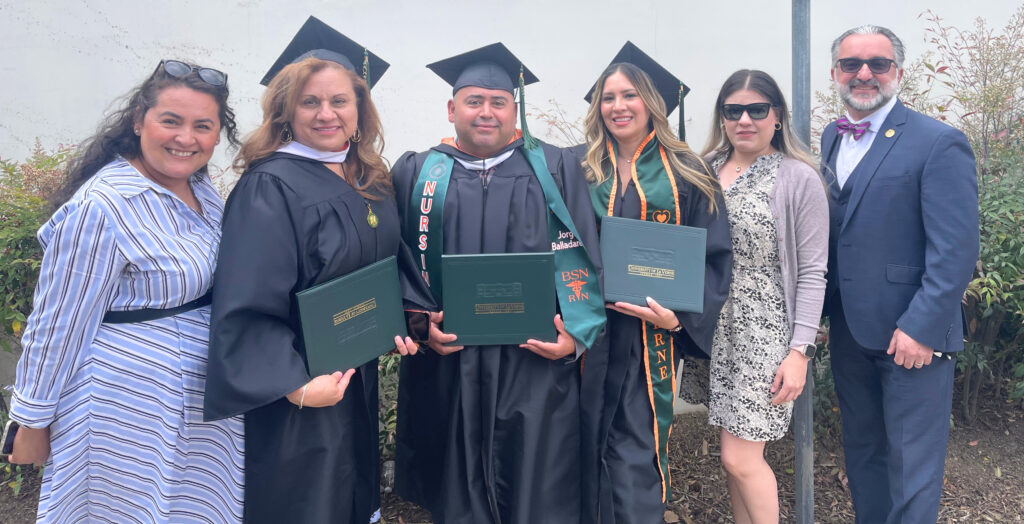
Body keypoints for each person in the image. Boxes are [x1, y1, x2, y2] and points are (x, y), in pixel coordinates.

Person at [202, 17, 431, 524]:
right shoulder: (272, 186)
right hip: (299, 389)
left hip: (355, 373)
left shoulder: (366, 175)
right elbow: (247, 300)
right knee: (304, 501)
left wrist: (412, 318)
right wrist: (295, 384)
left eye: (339, 101)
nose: (326, 114)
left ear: (359, 108)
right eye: (311, 102)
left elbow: (388, 265)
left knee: (352, 495)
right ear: (286, 109)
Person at [7, 59, 244, 522]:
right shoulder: (104, 206)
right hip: (127, 411)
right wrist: (30, 421)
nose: (185, 138)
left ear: (218, 135)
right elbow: (57, 323)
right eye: (170, 121)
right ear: (139, 121)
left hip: (198, 407)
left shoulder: (202, 190)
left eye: (202, 125)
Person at [391, 43, 606, 524]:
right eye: (473, 101)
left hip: (532, 364)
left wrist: (576, 335)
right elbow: (397, 262)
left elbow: (585, 255)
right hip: (451, 363)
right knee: (456, 494)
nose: (485, 112)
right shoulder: (419, 173)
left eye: (498, 102)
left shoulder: (554, 168)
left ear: (515, 110)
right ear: (452, 109)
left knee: (536, 495)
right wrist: (419, 323)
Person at [821, 25, 978, 524]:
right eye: (851, 64)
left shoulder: (939, 142)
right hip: (849, 331)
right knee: (863, 456)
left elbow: (955, 248)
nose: (864, 74)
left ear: (898, 73)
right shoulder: (829, 137)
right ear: (835, 73)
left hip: (914, 338)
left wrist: (922, 327)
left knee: (913, 472)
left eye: (878, 64)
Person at [578, 42, 733, 524]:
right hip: (587, 333)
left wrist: (678, 316)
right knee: (577, 441)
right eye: (608, 97)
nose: (618, 106)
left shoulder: (689, 171)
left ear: (652, 103)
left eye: (630, 95)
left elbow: (714, 255)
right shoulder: (579, 169)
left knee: (635, 447)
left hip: (649, 338)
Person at [700, 69, 828, 524]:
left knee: (742, 458)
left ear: (777, 116)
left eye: (757, 109)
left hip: (765, 327)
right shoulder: (706, 167)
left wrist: (800, 351)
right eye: (733, 110)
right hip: (714, 323)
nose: (745, 120)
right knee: (730, 458)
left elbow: (813, 271)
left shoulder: (799, 177)